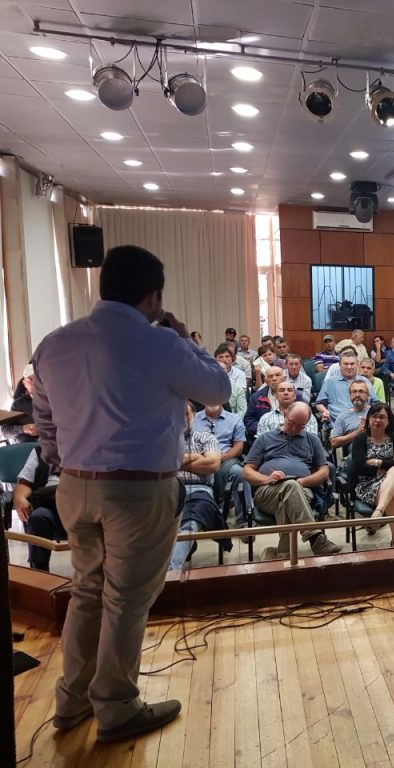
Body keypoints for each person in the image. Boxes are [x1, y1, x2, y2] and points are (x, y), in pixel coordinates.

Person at [31, 244, 230, 741]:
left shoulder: (55, 343)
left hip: (74, 486)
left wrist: (64, 463)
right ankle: (117, 705)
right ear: (154, 297)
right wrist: (184, 339)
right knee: (125, 600)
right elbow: (218, 389)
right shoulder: (161, 343)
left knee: (87, 591)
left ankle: (73, 701)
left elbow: (44, 420)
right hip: (138, 493)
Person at [242, 401, 341, 559]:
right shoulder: (265, 438)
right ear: (285, 414)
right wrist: (267, 479)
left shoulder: (312, 440)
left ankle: (282, 554)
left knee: (288, 495)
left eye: (300, 426)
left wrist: (302, 482)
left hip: (303, 490)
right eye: (291, 423)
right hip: (267, 491)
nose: (294, 428)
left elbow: (324, 472)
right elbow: (247, 471)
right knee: (290, 487)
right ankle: (315, 538)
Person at [169, 402, 229, 572]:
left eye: (185, 414)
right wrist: (196, 456)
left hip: (199, 489)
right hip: (168, 489)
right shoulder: (163, 440)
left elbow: (213, 465)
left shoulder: (205, 437)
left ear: (194, 415)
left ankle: (171, 570)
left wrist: (174, 463)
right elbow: (156, 464)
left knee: (190, 521)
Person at [349, 403, 394, 546]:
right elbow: (360, 467)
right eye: (374, 416)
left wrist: (376, 462)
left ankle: (378, 512)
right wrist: (389, 463)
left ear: (388, 421)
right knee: (393, 493)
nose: (377, 420)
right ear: (369, 419)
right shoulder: (360, 439)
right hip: (368, 484)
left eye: (382, 417)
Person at [12, 443, 63, 571]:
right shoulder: (41, 449)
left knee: (41, 497)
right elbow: (25, 482)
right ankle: (39, 571)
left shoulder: (86, 443)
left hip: (80, 502)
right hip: (51, 507)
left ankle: (38, 498)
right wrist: (20, 498)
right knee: (38, 517)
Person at [192, 402, 248, 513]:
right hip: (199, 461)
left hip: (225, 459)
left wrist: (221, 458)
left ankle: (244, 517)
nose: (212, 401)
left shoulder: (235, 419)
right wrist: (204, 461)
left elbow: (238, 447)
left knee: (240, 473)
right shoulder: (193, 419)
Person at [329, 379, 371, 452]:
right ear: (349, 395)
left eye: (361, 391)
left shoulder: (377, 413)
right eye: (354, 392)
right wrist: (357, 432)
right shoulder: (342, 417)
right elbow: (334, 443)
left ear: (368, 395)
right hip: (354, 455)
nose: (357, 395)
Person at [0, 364, 39, 443]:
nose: (32, 383)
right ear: (24, 383)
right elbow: (5, 430)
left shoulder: (52, 400)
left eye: (36, 380)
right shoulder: (17, 405)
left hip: (51, 444)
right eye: (29, 381)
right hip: (27, 447)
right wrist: (23, 429)